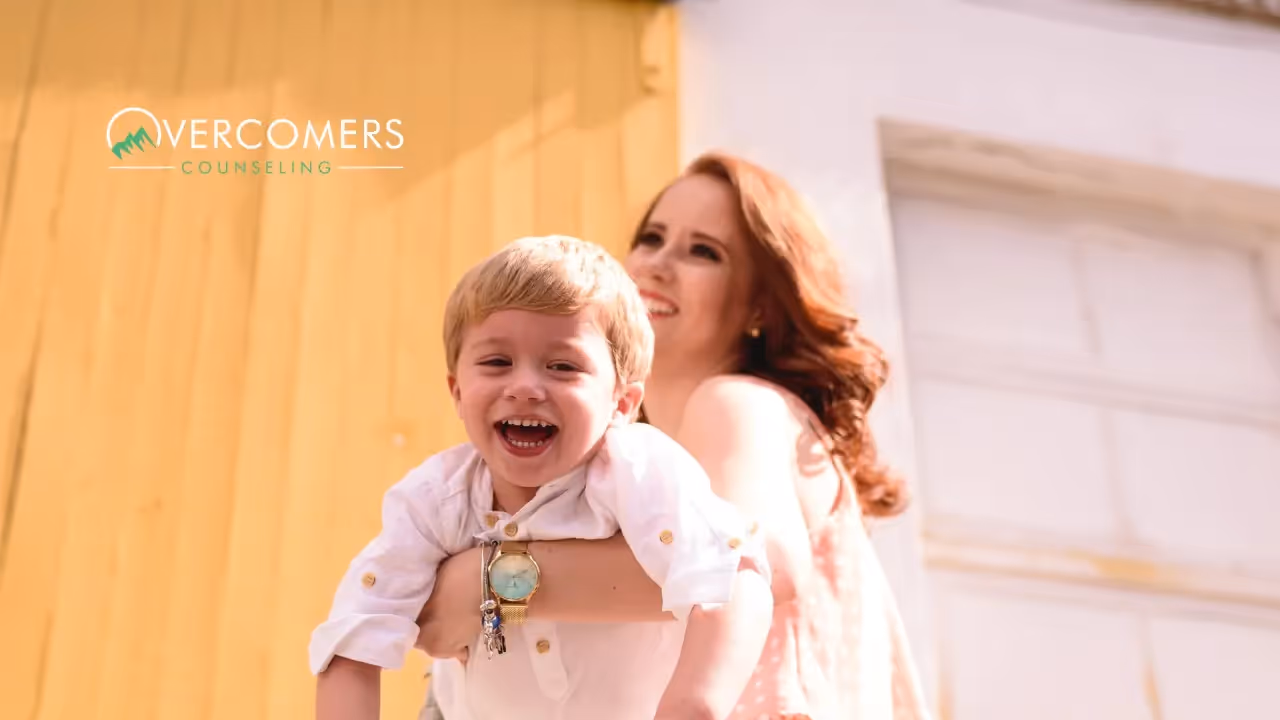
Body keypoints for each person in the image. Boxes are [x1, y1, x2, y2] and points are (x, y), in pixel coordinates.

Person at [415, 153, 933, 720]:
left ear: (761, 305)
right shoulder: (633, 462)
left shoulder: (734, 402)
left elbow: (763, 557)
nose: (658, 264)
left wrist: (490, 581)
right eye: (652, 238)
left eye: (703, 252)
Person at [309, 235, 774, 720]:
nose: (525, 387)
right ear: (458, 391)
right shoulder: (436, 499)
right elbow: (354, 639)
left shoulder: (639, 472)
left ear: (622, 403)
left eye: (562, 366)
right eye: (497, 362)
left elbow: (734, 577)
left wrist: (692, 706)